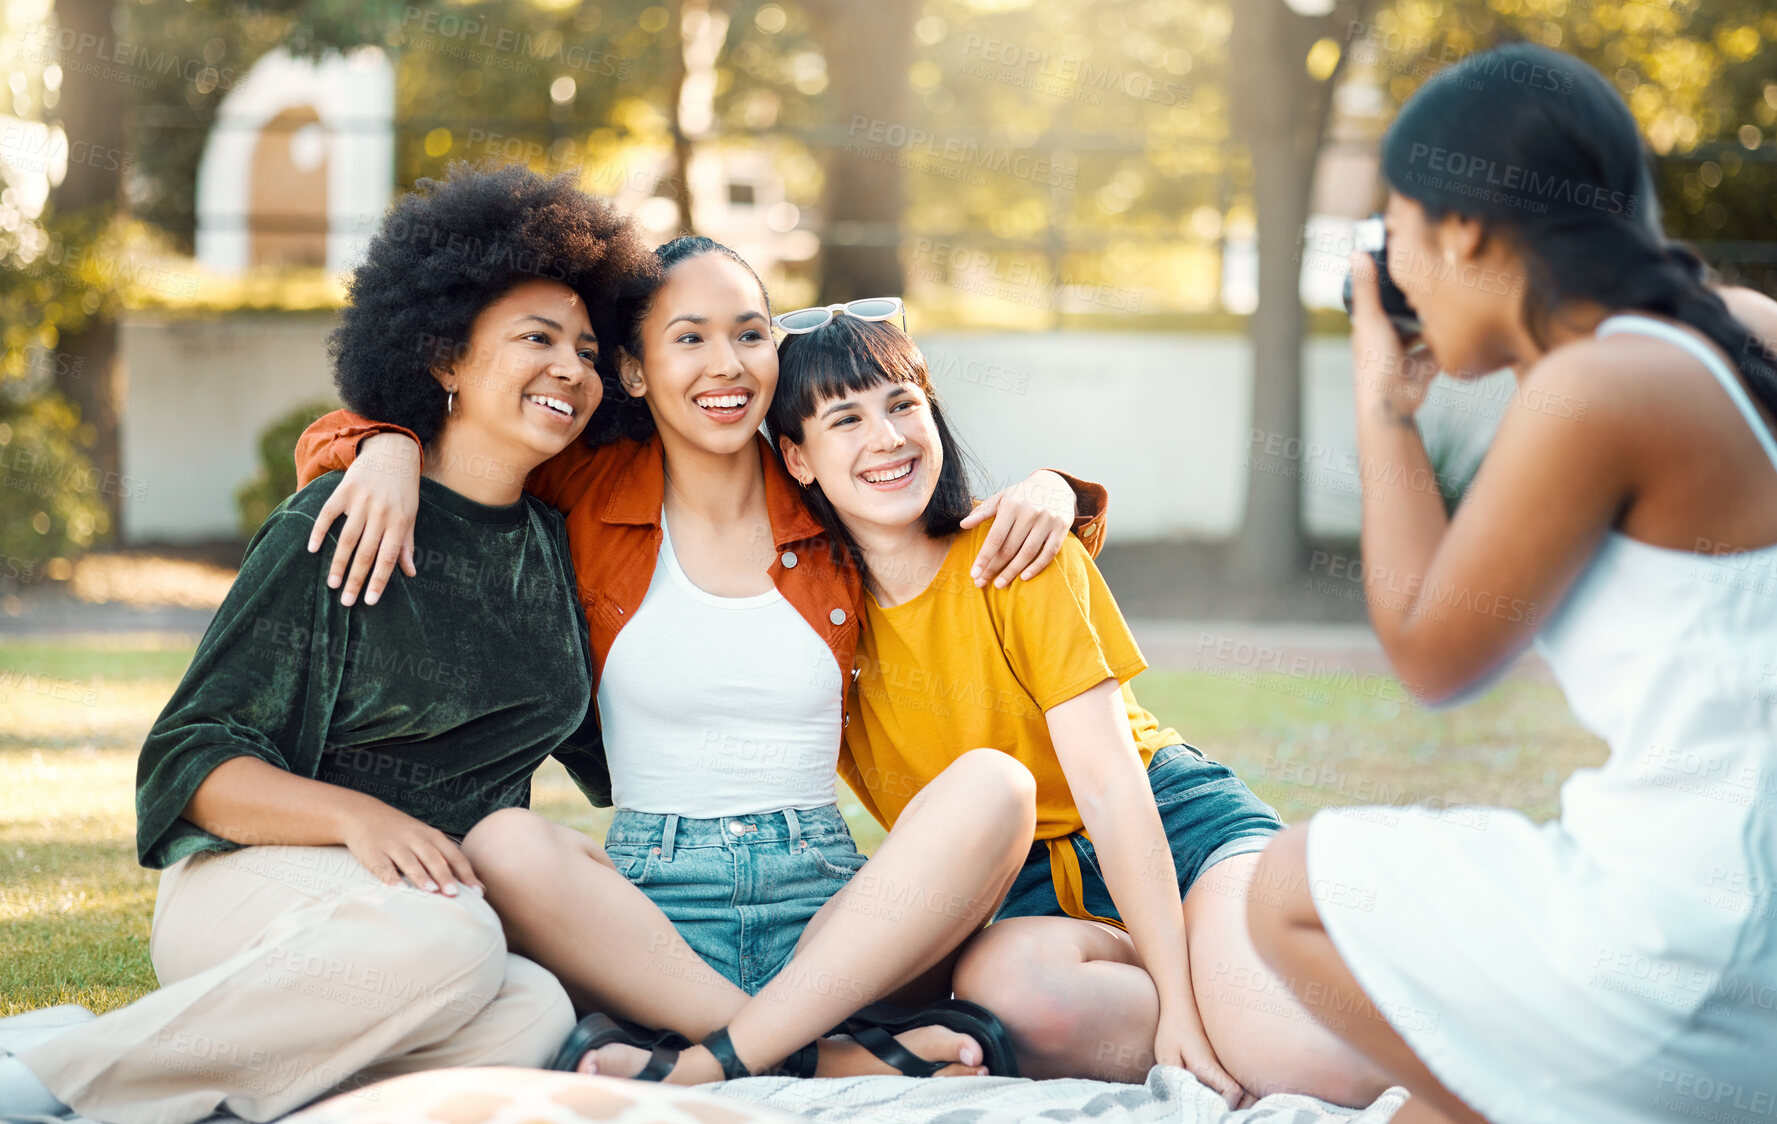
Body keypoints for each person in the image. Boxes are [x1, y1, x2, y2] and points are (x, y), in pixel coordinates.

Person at [290, 237, 1110, 1083]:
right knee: (503, 842)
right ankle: (823, 1054)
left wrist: (1057, 489)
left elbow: (935, 505)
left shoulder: (818, 476)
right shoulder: (582, 488)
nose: (727, 364)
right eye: (689, 338)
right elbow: (405, 435)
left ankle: (714, 1059)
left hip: (833, 910)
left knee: (994, 787)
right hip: (650, 912)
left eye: (751, 335)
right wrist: (385, 448)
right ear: (635, 371)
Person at [0, 163, 654, 1124]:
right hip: (262, 887)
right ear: (443, 360)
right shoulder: (341, 514)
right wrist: (358, 818)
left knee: (532, 1014)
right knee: (459, 947)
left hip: (425, 917)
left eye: (589, 351)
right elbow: (189, 762)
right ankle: (53, 1084)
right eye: (535, 338)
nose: (571, 367)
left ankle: (177, 1081)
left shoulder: (559, 552)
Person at [1242, 43, 1777, 1124]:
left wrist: (1384, 406)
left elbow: (1432, 654)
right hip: (1745, 936)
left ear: (1464, 228)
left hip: (1693, 954)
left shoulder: (1596, 388)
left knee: (1287, 889)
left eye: (1395, 230)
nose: (1392, 266)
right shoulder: (1735, 335)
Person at [764, 311, 1392, 1109]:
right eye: (844, 419)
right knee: (1019, 995)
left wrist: (1177, 1002)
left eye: (902, 403)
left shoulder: (1017, 551)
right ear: (797, 457)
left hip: (1171, 829)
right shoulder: (808, 629)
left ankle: (1264, 1008)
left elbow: (1110, 785)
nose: (885, 437)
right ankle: (1225, 1006)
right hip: (1023, 890)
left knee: (1293, 1059)